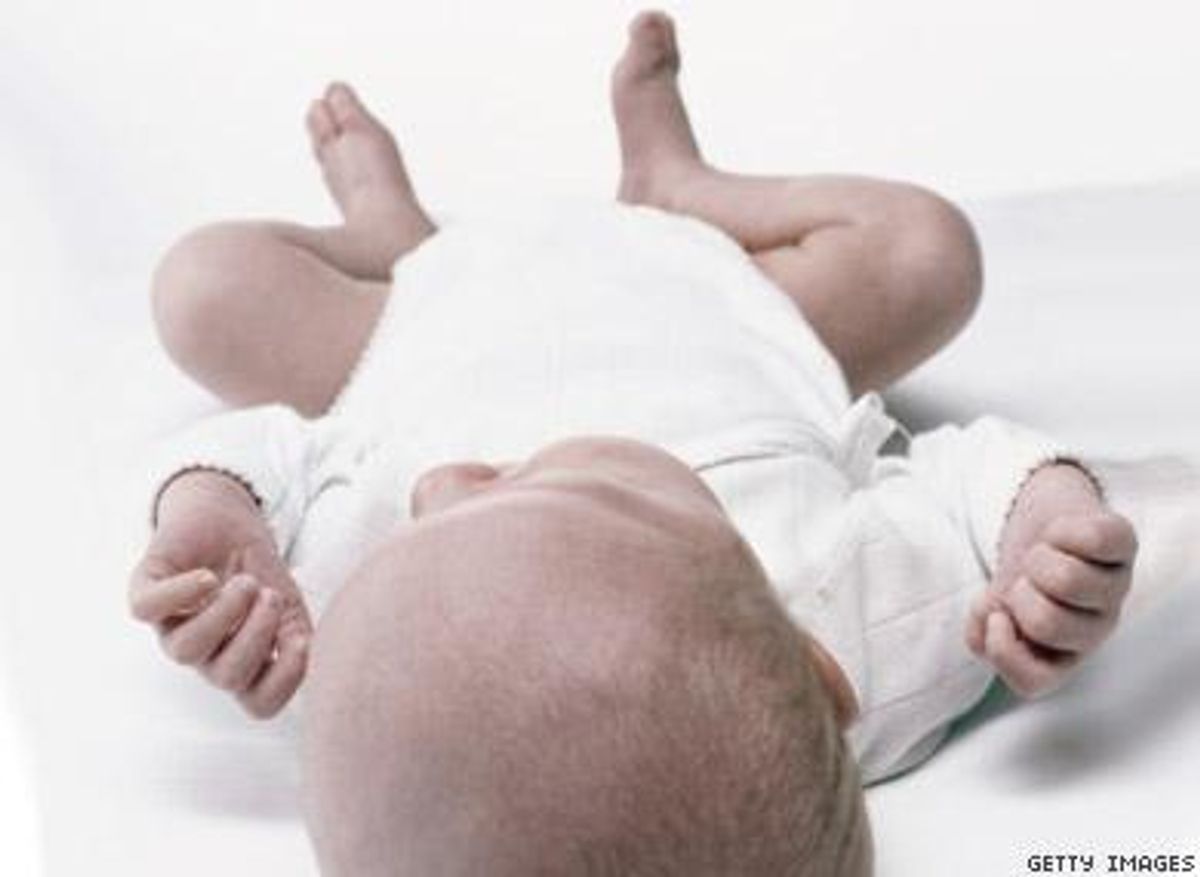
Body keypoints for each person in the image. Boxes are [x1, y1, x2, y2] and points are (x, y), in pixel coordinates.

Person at [126, 11, 1166, 875]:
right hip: (731, 294)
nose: (444, 480)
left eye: (433, 511)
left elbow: (266, 454)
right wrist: (1047, 532)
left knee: (201, 288)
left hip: (416, 318)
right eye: (543, 485)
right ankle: (686, 191)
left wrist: (215, 527)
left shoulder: (356, 658)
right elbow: (971, 473)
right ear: (813, 664)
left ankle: (385, 233)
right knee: (927, 249)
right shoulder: (862, 621)